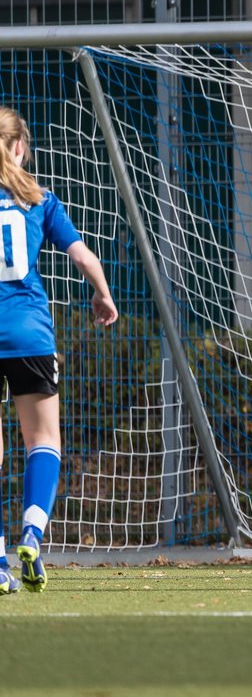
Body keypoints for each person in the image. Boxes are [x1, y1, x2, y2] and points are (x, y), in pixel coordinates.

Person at [0, 107, 119, 595]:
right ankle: (31, 532)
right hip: (29, 337)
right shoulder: (40, 199)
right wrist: (103, 293)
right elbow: (83, 254)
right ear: (20, 148)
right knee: (43, 440)